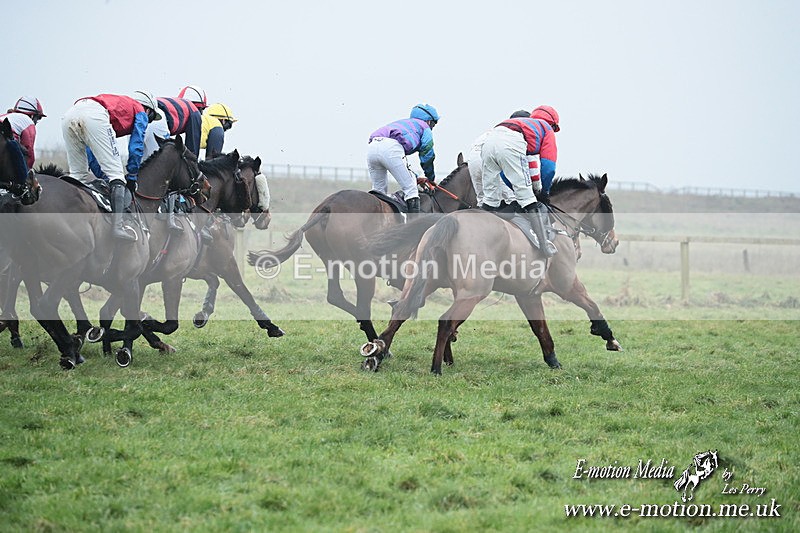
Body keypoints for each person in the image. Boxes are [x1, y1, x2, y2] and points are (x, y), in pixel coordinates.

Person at [62, 91, 162, 241]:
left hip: (69, 115)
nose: (149, 122)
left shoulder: (121, 107)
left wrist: (102, 175)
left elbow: (91, 150)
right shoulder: (140, 110)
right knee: (117, 175)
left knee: (78, 176)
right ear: (148, 110)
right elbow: (136, 146)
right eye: (152, 118)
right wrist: (132, 175)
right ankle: (118, 227)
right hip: (94, 115)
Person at [480, 105, 560, 257]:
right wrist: (544, 193)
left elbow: (506, 172)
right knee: (528, 200)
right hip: (510, 144)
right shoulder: (546, 129)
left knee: (490, 201)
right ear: (552, 125)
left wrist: (517, 188)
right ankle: (544, 246)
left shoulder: (525, 126)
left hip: (489, 141)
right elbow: (548, 167)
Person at [143, 87, 207, 233]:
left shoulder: (175, 106)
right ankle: (170, 217)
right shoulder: (194, 113)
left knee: (142, 170)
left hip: (143, 115)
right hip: (156, 121)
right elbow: (192, 153)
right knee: (165, 171)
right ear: (199, 107)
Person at [367, 103, 439, 214]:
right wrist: (430, 177)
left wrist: (415, 177)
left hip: (372, 146)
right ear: (429, 121)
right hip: (390, 148)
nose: (432, 128)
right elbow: (427, 153)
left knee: (379, 191)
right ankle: (413, 224)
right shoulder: (425, 127)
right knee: (411, 189)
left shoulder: (403, 123)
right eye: (433, 124)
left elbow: (399, 163)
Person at [466, 109, 530, 207]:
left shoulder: (496, 130)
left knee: (483, 200)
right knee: (513, 199)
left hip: (474, 158)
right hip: (491, 157)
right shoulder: (517, 135)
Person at [0, 97, 46, 169]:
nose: (36, 123)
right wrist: (28, 170)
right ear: (32, 116)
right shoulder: (28, 121)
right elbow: (29, 152)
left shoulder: (4, 116)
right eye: (38, 118)